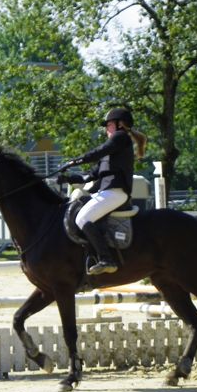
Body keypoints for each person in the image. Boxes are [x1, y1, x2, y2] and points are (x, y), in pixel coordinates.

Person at [58, 108, 147, 275]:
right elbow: (91, 176)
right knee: (80, 210)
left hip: (116, 192)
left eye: (109, 124)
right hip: (106, 192)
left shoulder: (120, 137)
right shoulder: (112, 150)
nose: (106, 128)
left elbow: (97, 152)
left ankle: (107, 259)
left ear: (120, 124)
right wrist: (69, 178)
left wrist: (74, 161)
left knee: (83, 218)